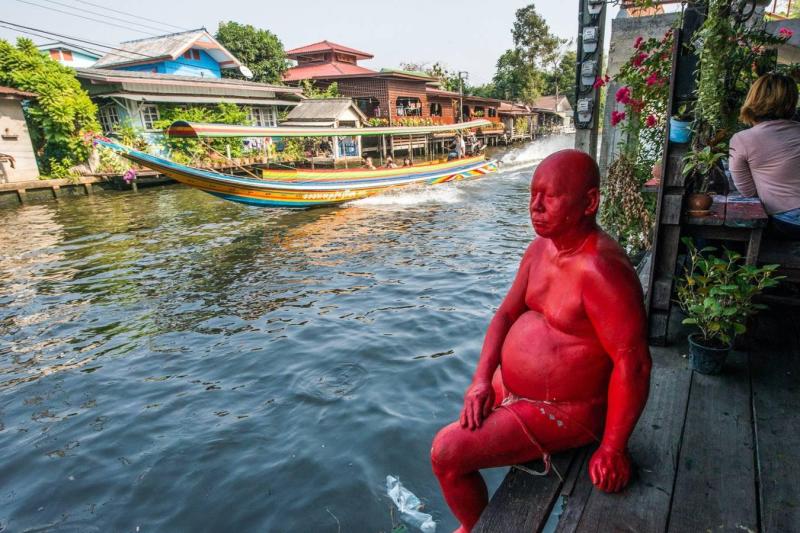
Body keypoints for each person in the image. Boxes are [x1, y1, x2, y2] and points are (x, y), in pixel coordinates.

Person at [431, 150, 652, 533]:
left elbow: (633, 364)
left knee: (447, 453)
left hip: (566, 408)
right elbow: (505, 315)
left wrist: (613, 448)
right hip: (517, 388)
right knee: (465, 422)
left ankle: (472, 527)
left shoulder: (601, 269)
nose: (535, 206)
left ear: (589, 202)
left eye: (549, 196)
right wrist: (481, 379)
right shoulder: (539, 250)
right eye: (533, 194)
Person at [729, 73, 800, 236]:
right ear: (791, 102)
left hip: (789, 220)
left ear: (753, 98)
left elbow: (748, 192)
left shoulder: (742, 140)